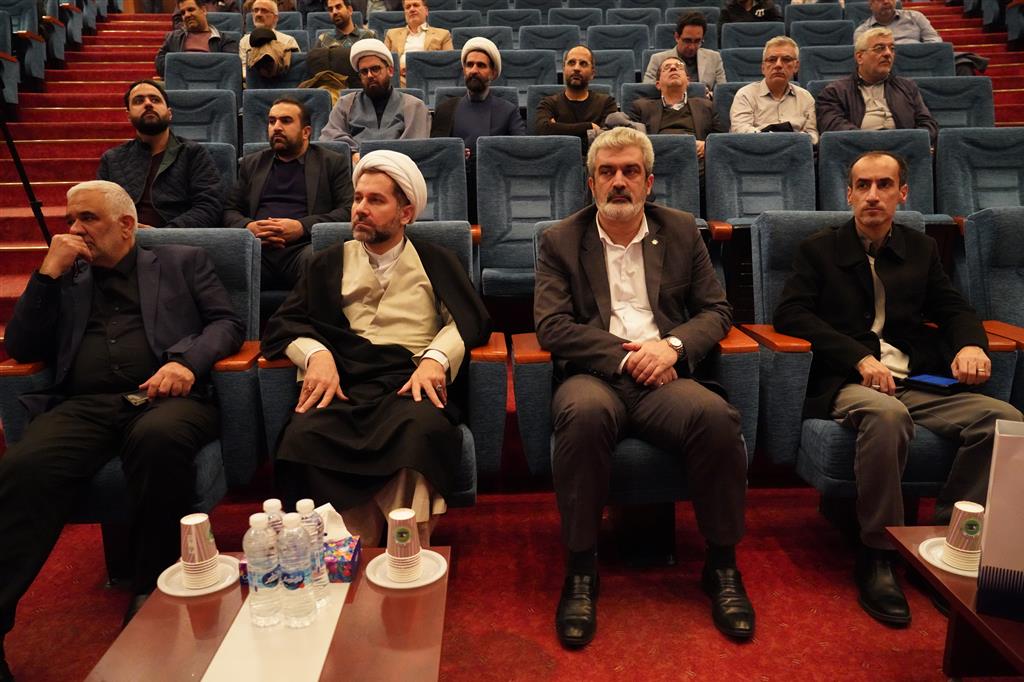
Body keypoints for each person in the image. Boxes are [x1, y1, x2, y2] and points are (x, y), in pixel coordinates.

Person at [0, 180, 244, 681]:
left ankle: (152, 588)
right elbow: (21, 348)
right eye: (70, 220)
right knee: (24, 466)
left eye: (87, 218)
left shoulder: (183, 261)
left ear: (127, 225)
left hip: (168, 398)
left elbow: (226, 324)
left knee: (157, 440)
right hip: (85, 405)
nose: (75, 230)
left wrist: (186, 363)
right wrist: (45, 274)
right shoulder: (65, 276)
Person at [773, 151, 1023, 627]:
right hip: (848, 380)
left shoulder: (921, 249)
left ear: (902, 193)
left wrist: (970, 344)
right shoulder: (819, 249)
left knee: (1005, 421)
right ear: (848, 194)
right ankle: (879, 552)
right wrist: (857, 356)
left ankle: (949, 542)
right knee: (889, 417)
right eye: (863, 185)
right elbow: (791, 314)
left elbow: (954, 308)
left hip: (914, 379)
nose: (873, 195)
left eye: (884, 185)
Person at [534, 127, 754, 649]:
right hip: (593, 376)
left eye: (630, 171)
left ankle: (722, 566)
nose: (619, 181)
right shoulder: (561, 239)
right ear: (591, 183)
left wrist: (672, 347)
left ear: (649, 182)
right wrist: (628, 356)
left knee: (716, 419)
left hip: (665, 378)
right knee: (583, 417)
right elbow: (552, 326)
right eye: (607, 172)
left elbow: (716, 310)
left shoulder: (680, 230)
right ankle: (581, 570)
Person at [261, 150, 491, 548]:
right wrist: (317, 355)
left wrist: (435, 359)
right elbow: (284, 324)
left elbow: (470, 321)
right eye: (357, 199)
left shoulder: (437, 261)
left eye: (375, 200)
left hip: (408, 383)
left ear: (406, 213)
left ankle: (407, 546)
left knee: (419, 431)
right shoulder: (325, 263)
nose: (360, 209)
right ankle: (348, 544)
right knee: (304, 433)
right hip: (346, 383)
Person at [223, 98, 354, 291]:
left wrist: (302, 227)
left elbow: (348, 210)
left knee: (321, 261)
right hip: (258, 249)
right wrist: (249, 227)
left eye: (285, 121)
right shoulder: (252, 164)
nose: (276, 127)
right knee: (224, 263)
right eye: (271, 121)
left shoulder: (332, 162)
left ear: (306, 132)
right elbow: (230, 210)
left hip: (304, 248)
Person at [98, 79, 224, 229]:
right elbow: (100, 208)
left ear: (169, 113)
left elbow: (210, 206)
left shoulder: (193, 153)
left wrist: (165, 234)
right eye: (138, 101)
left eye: (155, 100)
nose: (148, 104)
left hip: (177, 239)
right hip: (124, 238)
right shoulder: (112, 159)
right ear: (128, 115)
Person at [430, 37, 525, 222]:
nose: (474, 70)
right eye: (469, 65)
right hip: (455, 194)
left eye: (481, 65)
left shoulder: (508, 111)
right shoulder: (446, 109)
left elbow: (520, 154)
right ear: (463, 70)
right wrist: (455, 156)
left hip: (496, 195)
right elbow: (435, 156)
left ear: (493, 72)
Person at [816, 27, 939, 145]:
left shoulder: (907, 87)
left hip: (903, 150)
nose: (888, 53)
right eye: (879, 48)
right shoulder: (835, 92)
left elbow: (928, 124)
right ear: (860, 57)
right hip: (857, 151)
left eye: (892, 48)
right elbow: (834, 128)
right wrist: (875, 142)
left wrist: (905, 142)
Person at [320, 38, 429, 164]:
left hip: (399, 169)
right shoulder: (345, 104)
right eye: (364, 71)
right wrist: (353, 153)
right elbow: (329, 137)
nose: (370, 75)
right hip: (356, 168)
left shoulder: (414, 105)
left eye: (375, 69)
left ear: (390, 71)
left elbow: (416, 147)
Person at [630, 56, 724, 161]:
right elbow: (633, 144)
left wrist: (707, 146)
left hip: (696, 162)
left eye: (679, 66)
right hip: (657, 161)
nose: (673, 68)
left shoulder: (707, 107)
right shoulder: (641, 108)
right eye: (667, 67)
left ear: (688, 81)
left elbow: (721, 142)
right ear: (658, 84)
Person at [730, 36, 818, 144]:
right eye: (772, 60)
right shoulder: (745, 95)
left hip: (795, 152)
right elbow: (741, 131)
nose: (778, 65)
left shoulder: (805, 98)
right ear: (763, 67)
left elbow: (812, 136)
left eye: (786, 59)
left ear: (796, 67)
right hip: (756, 151)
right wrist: (779, 140)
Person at [535, 46, 619, 155]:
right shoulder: (548, 103)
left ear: (592, 73)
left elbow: (608, 142)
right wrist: (589, 127)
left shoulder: (607, 103)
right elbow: (542, 131)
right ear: (563, 69)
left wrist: (557, 128)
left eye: (583, 64)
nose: (576, 68)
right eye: (571, 63)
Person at [642, 12, 725, 96]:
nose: (692, 47)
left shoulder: (714, 58)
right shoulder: (657, 60)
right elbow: (648, 93)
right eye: (687, 41)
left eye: (697, 41)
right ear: (677, 37)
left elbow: (722, 93)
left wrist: (710, 94)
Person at [155, 0, 240, 78]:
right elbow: (160, 66)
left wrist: (184, 66)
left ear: (204, 10)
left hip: (213, 84)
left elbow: (229, 69)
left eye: (191, 10)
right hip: (180, 84)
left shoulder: (225, 40)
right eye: (183, 13)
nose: (187, 15)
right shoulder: (173, 38)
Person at [383, 0, 452, 86]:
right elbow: (383, 62)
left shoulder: (443, 34)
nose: (412, 9)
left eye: (416, 5)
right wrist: (397, 69)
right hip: (399, 80)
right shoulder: (391, 34)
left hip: (429, 81)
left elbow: (449, 65)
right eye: (408, 7)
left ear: (426, 11)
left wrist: (412, 69)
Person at [238, 0, 300, 77]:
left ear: (275, 18)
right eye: (256, 10)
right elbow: (244, 70)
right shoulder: (245, 41)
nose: (258, 14)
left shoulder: (288, 41)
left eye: (264, 11)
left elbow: (295, 71)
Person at [853, 0, 942, 43]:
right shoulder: (863, 32)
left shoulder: (915, 17)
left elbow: (935, 41)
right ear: (871, 5)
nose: (886, 1)